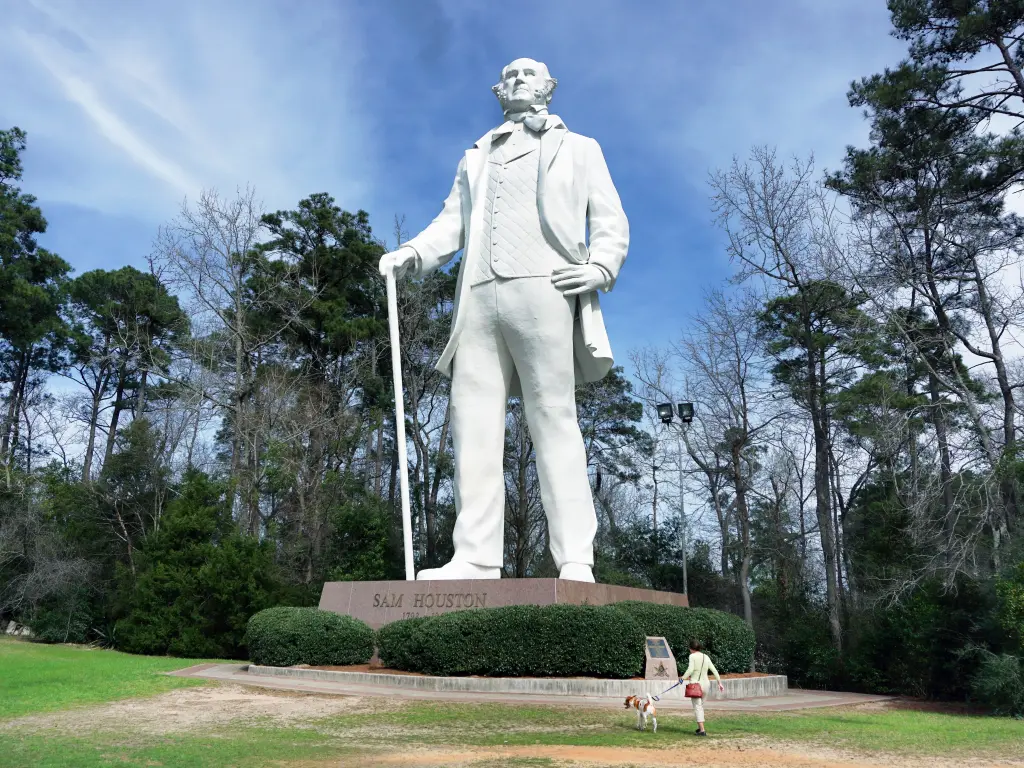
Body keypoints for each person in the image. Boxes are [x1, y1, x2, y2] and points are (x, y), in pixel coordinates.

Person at [377, 58, 629, 583]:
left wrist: (602, 266)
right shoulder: (476, 157)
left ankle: (575, 558)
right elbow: (452, 222)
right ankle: (475, 556)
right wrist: (412, 253)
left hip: (546, 287)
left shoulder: (580, 148)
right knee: (472, 423)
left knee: (553, 417)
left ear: (549, 88)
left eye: (529, 73)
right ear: (497, 91)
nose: (518, 79)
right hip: (479, 298)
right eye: (509, 74)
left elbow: (609, 217)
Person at [679, 640, 724, 737]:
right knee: (700, 706)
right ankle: (700, 728)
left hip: (695, 685)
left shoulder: (692, 656)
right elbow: (714, 670)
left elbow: (690, 669)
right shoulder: (706, 656)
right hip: (706, 685)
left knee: (698, 707)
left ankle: (702, 730)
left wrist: (682, 678)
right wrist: (719, 683)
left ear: (691, 648)